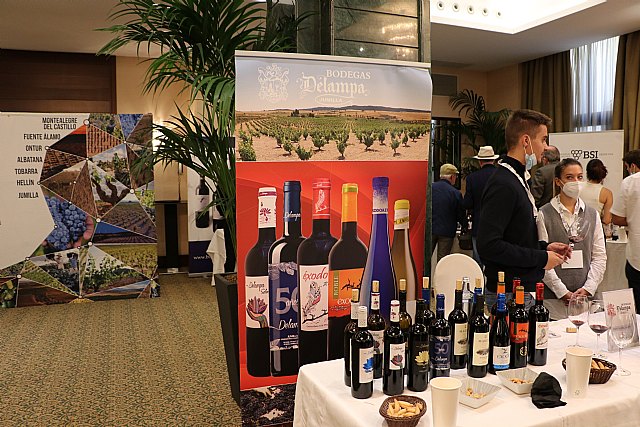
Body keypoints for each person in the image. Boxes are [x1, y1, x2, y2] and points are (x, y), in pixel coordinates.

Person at [477, 109, 570, 310]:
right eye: (543, 140)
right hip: (509, 292)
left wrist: (543, 248)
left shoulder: (517, 178)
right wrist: (541, 258)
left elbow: (515, 235)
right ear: (526, 141)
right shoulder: (503, 183)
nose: (545, 147)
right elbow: (489, 245)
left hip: (519, 288)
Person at [537, 159, 606, 320]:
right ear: (558, 181)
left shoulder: (592, 214)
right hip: (553, 302)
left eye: (579, 177)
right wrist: (563, 292)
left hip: (586, 302)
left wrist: (588, 289)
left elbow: (599, 256)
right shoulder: (544, 214)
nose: (576, 182)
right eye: (569, 177)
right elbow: (541, 257)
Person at [611, 150, 640, 313]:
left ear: (633, 166)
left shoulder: (631, 182)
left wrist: (633, 219)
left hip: (637, 257)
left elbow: (616, 218)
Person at [463, 145, 499, 266]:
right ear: (493, 160)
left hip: (479, 224)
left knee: (478, 261)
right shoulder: (501, 176)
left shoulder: (472, 178)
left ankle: (480, 278)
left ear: (480, 161)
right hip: (499, 225)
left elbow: (467, 203)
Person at [432, 163, 468, 261]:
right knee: (442, 260)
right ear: (452, 177)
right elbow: (460, 213)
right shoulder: (455, 193)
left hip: (431, 229)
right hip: (447, 231)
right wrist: (465, 225)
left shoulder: (430, 188)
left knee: (425, 259)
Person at [580, 159, 614, 229]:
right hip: (595, 229)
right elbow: (607, 220)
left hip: (577, 228)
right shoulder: (607, 193)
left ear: (587, 172)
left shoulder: (578, 187)